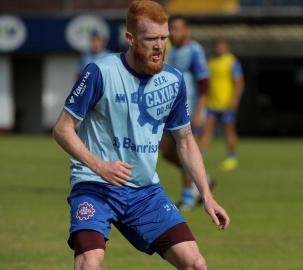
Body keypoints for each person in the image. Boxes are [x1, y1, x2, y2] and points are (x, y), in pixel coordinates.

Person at [53, 1, 230, 270]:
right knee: (89, 263)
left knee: (196, 264)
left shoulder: (173, 80)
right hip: (94, 186)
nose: (160, 46)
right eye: (151, 39)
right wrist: (101, 167)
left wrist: (205, 193)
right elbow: (62, 129)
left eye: (164, 38)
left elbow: (184, 140)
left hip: (145, 193)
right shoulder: (100, 72)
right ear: (131, 39)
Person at [160, 15, 211, 211]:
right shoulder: (170, 52)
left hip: (190, 110)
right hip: (170, 112)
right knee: (166, 152)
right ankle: (203, 179)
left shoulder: (194, 50)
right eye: (170, 29)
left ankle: (187, 198)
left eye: (177, 29)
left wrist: (199, 111)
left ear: (186, 30)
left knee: (185, 153)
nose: (173, 33)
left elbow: (204, 84)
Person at [200, 39, 245, 171]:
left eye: (222, 46)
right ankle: (199, 157)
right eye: (217, 46)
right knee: (206, 130)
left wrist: (235, 100)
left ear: (226, 47)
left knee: (229, 131)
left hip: (226, 103)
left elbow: (239, 82)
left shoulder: (231, 61)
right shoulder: (210, 61)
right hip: (211, 103)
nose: (219, 48)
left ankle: (232, 157)